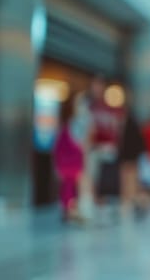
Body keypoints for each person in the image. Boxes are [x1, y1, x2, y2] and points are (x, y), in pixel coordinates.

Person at [52, 92, 92, 222]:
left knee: (70, 186)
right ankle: (72, 211)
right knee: (71, 185)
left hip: (70, 161)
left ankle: (71, 210)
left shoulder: (73, 123)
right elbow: (81, 143)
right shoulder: (73, 123)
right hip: (71, 161)